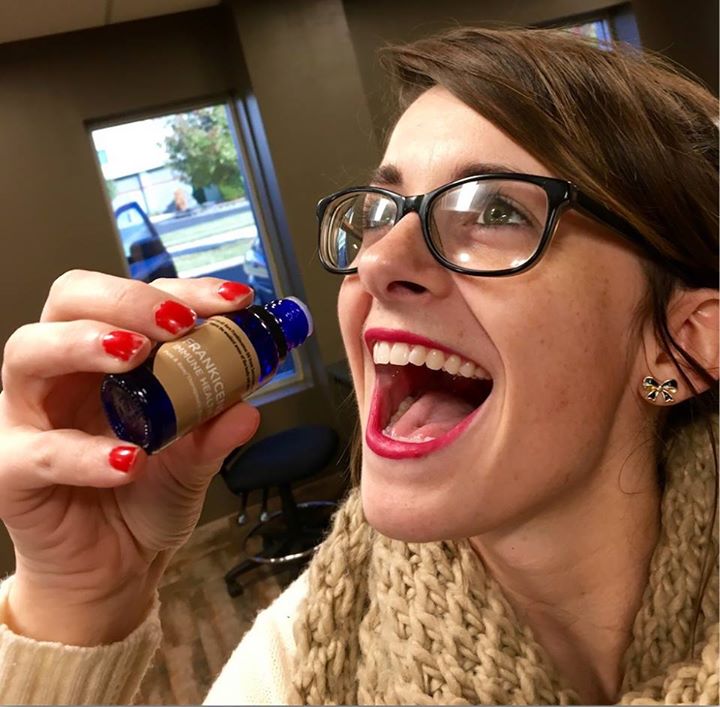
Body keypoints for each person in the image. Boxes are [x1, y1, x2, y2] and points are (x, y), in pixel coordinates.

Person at [0, 25, 717, 705]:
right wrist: (77, 601)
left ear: (682, 346)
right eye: (380, 212)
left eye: (496, 210)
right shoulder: (297, 667)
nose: (376, 259)